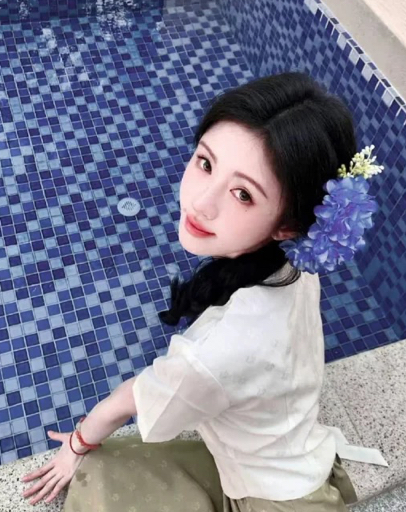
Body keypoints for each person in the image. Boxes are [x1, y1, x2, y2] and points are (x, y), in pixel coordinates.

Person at [22, 72, 382, 510]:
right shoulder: (296, 268)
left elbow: (134, 399)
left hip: (274, 501)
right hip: (294, 458)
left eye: (243, 194)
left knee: (96, 476)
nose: (200, 202)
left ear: (288, 226)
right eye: (206, 163)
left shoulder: (217, 350)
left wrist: (76, 444)